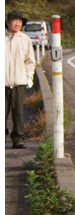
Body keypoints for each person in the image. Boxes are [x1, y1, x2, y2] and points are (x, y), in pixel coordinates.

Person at [5, 10, 36, 149]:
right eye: (14, 21)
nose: (17, 23)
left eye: (20, 21)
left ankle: (18, 138)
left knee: (18, 112)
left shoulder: (25, 39)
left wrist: (29, 77)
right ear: (7, 23)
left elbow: (30, 61)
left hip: (19, 81)